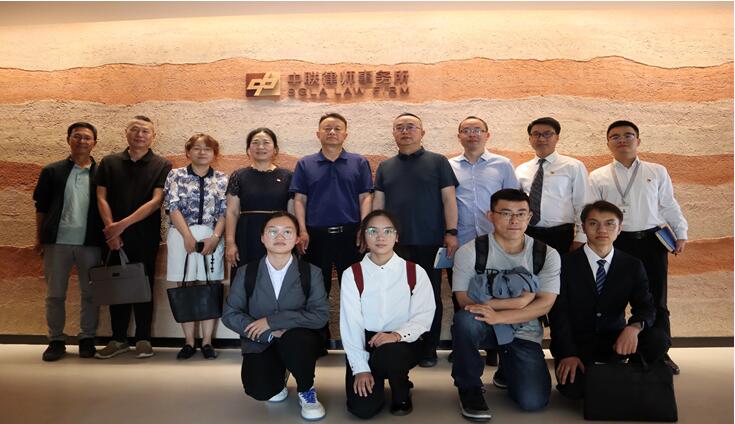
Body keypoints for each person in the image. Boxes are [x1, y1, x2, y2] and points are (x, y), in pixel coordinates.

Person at [451, 189, 560, 420]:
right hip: (484, 325)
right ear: (490, 216)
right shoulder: (470, 251)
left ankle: (508, 369)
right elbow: (464, 300)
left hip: (523, 329)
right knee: (465, 321)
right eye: (506, 213)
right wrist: (519, 302)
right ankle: (469, 388)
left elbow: (545, 304)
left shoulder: (546, 254)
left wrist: (499, 315)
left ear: (530, 217)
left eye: (521, 214)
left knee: (533, 401)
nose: (514, 220)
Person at [589, 120, 687, 374]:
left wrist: (681, 233)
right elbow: (591, 213)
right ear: (608, 143)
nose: (622, 140)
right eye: (615, 136)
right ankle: (617, 350)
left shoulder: (657, 171)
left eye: (628, 135)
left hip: (652, 242)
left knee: (656, 299)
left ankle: (659, 352)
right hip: (615, 242)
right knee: (613, 298)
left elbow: (668, 204)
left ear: (638, 140)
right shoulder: (598, 176)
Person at [549, 200, 670, 399]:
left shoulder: (632, 265)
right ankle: (610, 377)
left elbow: (646, 307)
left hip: (615, 339)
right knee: (575, 392)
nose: (602, 230)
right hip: (579, 344)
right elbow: (558, 314)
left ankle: (628, 374)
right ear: (583, 228)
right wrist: (568, 353)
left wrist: (634, 327)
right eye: (593, 223)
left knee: (658, 339)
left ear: (619, 229)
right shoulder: (564, 264)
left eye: (609, 223)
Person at [222, 212, 329, 421]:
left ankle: (306, 389)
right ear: (262, 238)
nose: (280, 237)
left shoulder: (311, 272)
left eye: (287, 232)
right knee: (260, 390)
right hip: (262, 341)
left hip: (300, 342)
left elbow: (320, 315)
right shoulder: (247, 272)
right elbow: (230, 314)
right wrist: (268, 332)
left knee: (296, 340)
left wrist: (271, 322)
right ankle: (280, 378)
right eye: (273, 232)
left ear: (297, 238)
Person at [373, 112, 459, 368]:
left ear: (422, 132)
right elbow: (379, 203)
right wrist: (374, 234)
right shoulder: (385, 166)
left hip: (429, 241)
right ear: (393, 133)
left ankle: (428, 349)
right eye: (399, 127)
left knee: (429, 296)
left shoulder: (438, 162)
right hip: (393, 245)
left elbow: (449, 199)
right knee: (397, 296)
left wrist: (451, 232)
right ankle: (401, 347)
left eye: (411, 126)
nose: (405, 131)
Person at [340, 210, 436, 418]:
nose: (380, 237)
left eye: (388, 231)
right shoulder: (352, 274)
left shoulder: (414, 272)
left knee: (390, 354)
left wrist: (396, 335)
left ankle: (401, 389)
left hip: (403, 342)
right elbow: (351, 324)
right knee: (363, 409)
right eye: (372, 231)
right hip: (366, 341)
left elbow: (423, 316)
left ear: (397, 236)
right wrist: (361, 368)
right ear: (363, 236)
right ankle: (375, 376)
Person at [289, 112, 373, 350]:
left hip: (351, 235)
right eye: (327, 128)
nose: (332, 132)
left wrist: (364, 228)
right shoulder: (305, 164)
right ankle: (317, 343)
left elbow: (366, 197)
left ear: (345, 134)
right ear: (318, 134)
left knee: (356, 290)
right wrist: (302, 230)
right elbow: (299, 200)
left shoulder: (359, 162)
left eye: (337, 128)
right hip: (315, 236)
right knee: (316, 291)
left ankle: (357, 342)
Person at [94, 115, 172, 359]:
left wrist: (121, 226)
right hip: (111, 236)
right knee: (116, 286)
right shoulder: (109, 162)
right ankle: (118, 339)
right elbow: (101, 197)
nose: (140, 135)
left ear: (153, 136)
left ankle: (143, 339)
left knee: (144, 285)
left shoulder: (162, 164)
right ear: (126, 133)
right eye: (135, 130)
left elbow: (156, 201)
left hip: (145, 235)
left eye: (145, 131)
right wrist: (111, 230)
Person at [449, 115, 518, 365]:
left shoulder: (503, 164)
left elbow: (514, 200)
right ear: (459, 136)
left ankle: (495, 346)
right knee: (460, 291)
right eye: (466, 130)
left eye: (477, 129)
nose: (472, 134)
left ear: (487, 135)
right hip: (462, 240)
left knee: (497, 290)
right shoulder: (449, 166)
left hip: (497, 240)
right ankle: (464, 344)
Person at [32, 122, 104, 361]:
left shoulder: (102, 173)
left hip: (91, 243)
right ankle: (56, 340)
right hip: (56, 242)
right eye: (77, 136)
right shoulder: (52, 171)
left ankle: (87, 338)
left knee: (90, 294)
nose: (82, 141)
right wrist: (39, 238)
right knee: (54, 294)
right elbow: (41, 207)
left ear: (94, 143)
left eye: (87, 138)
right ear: (68, 140)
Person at [163, 133, 228, 360]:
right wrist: (187, 236)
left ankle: (207, 342)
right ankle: (189, 341)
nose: (202, 152)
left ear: (214, 154)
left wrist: (216, 237)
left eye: (207, 149)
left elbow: (225, 211)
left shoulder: (222, 179)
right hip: (181, 234)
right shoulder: (176, 175)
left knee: (210, 285)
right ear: (188, 152)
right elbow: (172, 206)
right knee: (185, 285)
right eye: (197, 148)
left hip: (212, 235)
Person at [516, 117, 591, 253]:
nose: (541, 138)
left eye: (547, 134)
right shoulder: (521, 169)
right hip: (528, 233)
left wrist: (581, 236)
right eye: (536, 134)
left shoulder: (573, 166)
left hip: (561, 234)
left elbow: (583, 203)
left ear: (557, 137)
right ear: (530, 139)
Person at [225, 127, 293, 278]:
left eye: (266, 142)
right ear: (248, 149)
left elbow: (292, 212)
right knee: (246, 276)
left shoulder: (288, 176)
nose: (260, 147)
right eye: (255, 142)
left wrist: (295, 237)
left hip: (278, 234)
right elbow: (232, 211)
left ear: (275, 149)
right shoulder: (239, 176)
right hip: (247, 234)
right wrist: (230, 242)